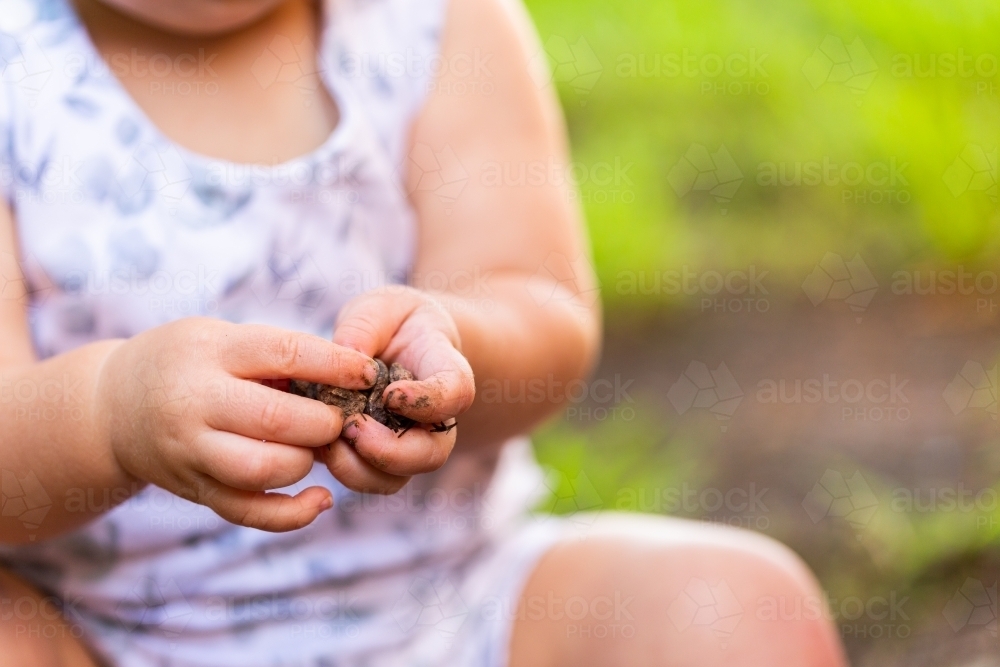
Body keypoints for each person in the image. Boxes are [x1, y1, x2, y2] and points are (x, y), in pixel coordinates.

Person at [0, 0, 848, 664]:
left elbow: (536, 299)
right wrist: (113, 414)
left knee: (736, 606)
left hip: (458, 608)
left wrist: (456, 345)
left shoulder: (436, 22)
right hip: (104, 631)